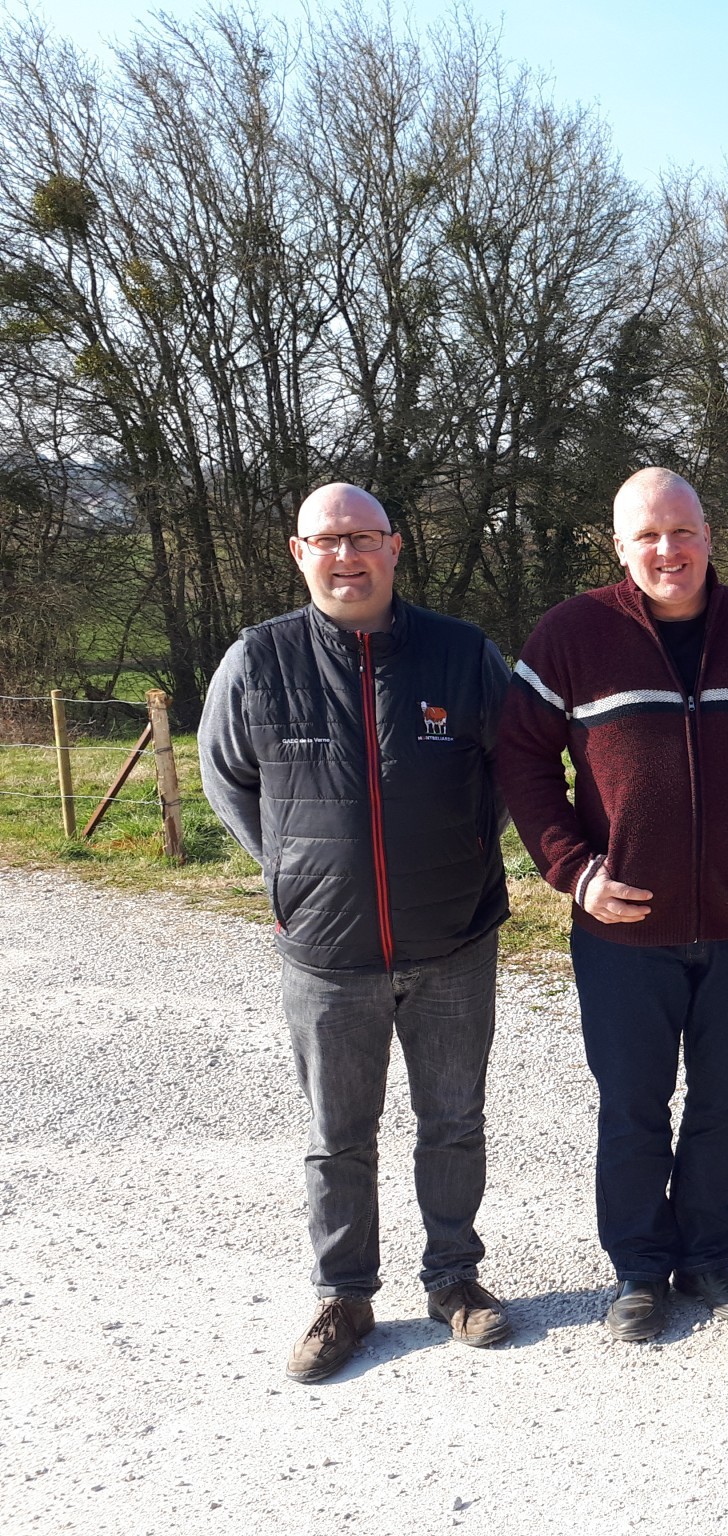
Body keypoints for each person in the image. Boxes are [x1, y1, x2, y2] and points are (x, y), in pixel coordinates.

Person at [494, 468, 728, 1343]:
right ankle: (640, 1271)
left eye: (682, 532)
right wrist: (574, 869)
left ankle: (712, 1259)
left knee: (727, 1099)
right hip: (621, 928)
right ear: (619, 546)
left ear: (709, 535)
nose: (667, 550)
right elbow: (522, 763)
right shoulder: (572, 635)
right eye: (647, 536)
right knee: (633, 1104)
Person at [199, 483, 513, 1384]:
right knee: (338, 1134)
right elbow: (226, 778)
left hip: (453, 942)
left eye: (362, 538)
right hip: (326, 954)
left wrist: (456, 855)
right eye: (326, 541)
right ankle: (344, 1295)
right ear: (298, 553)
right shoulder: (258, 660)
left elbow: (508, 770)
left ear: (394, 547)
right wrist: (293, 871)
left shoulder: (462, 655)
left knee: (452, 1122)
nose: (346, 557)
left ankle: (455, 1280)